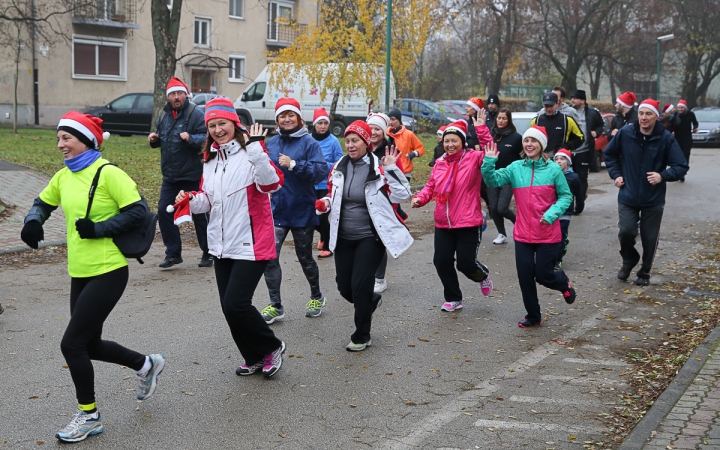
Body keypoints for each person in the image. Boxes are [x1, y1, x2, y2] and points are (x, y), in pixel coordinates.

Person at [21, 112, 165, 443]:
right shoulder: (63, 177)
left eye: (66, 138)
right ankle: (146, 364)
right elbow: (42, 203)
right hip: (80, 271)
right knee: (90, 344)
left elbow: (137, 213)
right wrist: (33, 221)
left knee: (71, 343)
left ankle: (89, 416)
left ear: (85, 139)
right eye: (58, 139)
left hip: (109, 269)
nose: (60, 145)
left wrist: (98, 228)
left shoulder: (109, 173)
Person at [176, 97, 286, 378]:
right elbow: (208, 200)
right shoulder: (210, 159)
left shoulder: (251, 152)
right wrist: (190, 199)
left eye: (221, 123)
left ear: (234, 124)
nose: (216, 129)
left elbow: (271, 183)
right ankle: (254, 356)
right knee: (230, 309)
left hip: (252, 241)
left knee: (236, 304)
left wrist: (255, 149)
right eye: (211, 125)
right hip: (222, 244)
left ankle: (272, 346)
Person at [316, 121, 413, 351]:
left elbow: (403, 193)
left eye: (355, 140)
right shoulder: (339, 166)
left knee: (360, 286)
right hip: (343, 237)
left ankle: (362, 335)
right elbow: (333, 195)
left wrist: (391, 168)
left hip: (370, 236)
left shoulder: (379, 167)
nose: (350, 145)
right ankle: (370, 301)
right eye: (347, 141)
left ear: (366, 142)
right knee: (344, 288)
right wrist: (325, 203)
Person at [482, 125, 577, 328]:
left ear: (541, 145)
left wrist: (551, 215)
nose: (529, 144)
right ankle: (533, 316)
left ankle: (562, 281)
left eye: (534, 141)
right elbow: (493, 180)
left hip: (548, 232)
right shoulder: (516, 168)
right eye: (526, 141)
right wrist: (489, 161)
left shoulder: (553, 169)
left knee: (543, 275)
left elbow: (566, 196)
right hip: (523, 232)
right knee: (525, 276)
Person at [411, 120, 494, 313]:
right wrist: (419, 199)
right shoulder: (440, 163)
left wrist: (481, 128)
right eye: (446, 141)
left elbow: (490, 148)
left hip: (468, 221)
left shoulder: (474, 158)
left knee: (465, 264)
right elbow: (431, 186)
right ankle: (454, 298)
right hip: (443, 222)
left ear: (462, 141)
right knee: (441, 261)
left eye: (454, 140)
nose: (449, 145)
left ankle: (482, 276)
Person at [603, 99, 689, 286]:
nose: (643, 117)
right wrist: (616, 174)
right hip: (628, 194)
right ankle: (629, 259)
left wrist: (662, 175)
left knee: (650, 238)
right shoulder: (626, 133)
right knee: (626, 231)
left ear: (655, 117)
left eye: (648, 114)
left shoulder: (665, 137)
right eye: (641, 113)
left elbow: (681, 165)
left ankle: (644, 271)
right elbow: (609, 154)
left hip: (653, 197)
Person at [262, 98, 328, 323]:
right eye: (282, 115)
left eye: (291, 115)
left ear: (299, 118)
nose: (287, 119)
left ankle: (316, 296)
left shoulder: (309, 143)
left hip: (301, 210)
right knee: (270, 258)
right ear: (277, 120)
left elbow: (320, 172)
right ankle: (275, 305)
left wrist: (295, 165)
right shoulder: (271, 143)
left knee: (305, 258)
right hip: (276, 211)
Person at [148, 77, 210, 269]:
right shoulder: (164, 116)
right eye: (172, 94)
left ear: (185, 95)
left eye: (179, 93)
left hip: (192, 175)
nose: (176, 97)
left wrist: (191, 138)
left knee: (200, 214)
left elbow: (207, 139)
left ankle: (209, 252)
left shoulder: (196, 115)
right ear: (168, 97)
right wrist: (154, 140)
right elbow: (163, 137)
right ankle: (173, 254)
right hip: (171, 176)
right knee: (163, 212)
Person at [366, 112, 403, 293]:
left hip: (383, 201)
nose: (373, 132)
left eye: (377, 129)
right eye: (370, 128)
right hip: (362, 201)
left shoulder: (390, 150)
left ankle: (379, 278)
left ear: (384, 131)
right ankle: (366, 274)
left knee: (378, 239)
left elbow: (399, 179)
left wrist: (389, 167)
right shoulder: (360, 147)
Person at [312, 107, 344, 258]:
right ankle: (324, 236)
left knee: (322, 215)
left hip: (327, 184)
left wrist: (324, 164)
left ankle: (329, 245)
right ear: (315, 125)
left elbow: (340, 162)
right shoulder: (308, 140)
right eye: (320, 123)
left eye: (325, 123)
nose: (323, 126)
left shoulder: (334, 141)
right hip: (311, 183)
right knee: (312, 216)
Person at [488, 108, 523, 244]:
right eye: (499, 118)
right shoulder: (491, 135)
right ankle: (501, 233)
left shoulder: (516, 137)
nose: (501, 121)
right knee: (494, 208)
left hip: (508, 177)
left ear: (509, 120)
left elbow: (521, 157)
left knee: (502, 208)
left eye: (504, 118)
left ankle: (518, 223)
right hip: (492, 176)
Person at [569, 89, 605, 214]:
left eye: (575, 98)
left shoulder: (592, 113)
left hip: (584, 151)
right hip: (569, 151)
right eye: (572, 98)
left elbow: (601, 125)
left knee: (581, 179)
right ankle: (568, 205)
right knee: (567, 178)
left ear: (582, 101)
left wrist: (596, 132)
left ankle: (579, 205)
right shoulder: (568, 112)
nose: (572, 100)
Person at [530, 92, 584, 157]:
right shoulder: (536, 120)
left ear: (557, 104)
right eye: (546, 106)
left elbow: (580, 137)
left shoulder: (567, 120)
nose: (549, 109)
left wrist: (567, 146)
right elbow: (530, 139)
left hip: (559, 159)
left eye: (551, 105)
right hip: (541, 160)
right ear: (543, 105)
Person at [552, 149, 581, 270]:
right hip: (551, 211)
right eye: (556, 159)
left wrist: (579, 206)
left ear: (568, 162)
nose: (559, 161)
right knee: (553, 237)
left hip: (565, 212)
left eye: (562, 159)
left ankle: (557, 260)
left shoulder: (573, 177)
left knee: (560, 237)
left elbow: (579, 193)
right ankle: (557, 251)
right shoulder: (551, 174)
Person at [387, 108, 425, 181]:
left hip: (404, 171)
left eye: (393, 119)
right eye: (390, 119)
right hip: (389, 171)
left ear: (399, 120)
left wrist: (413, 154)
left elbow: (421, 148)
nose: (391, 122)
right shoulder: (386, 134)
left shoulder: (408, 134)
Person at [673, 99, 699, 182]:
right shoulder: (675, 114)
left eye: (682, 108)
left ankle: (683, 172)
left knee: (685, 156)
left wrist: (695, 127)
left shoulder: (690, 114)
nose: (680, 109)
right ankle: (678, 171)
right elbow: (671, 123)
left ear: (685, 108)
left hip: (687, 138)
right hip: (677, 138)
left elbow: (695, 122)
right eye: (679, 107)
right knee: (678, 156)